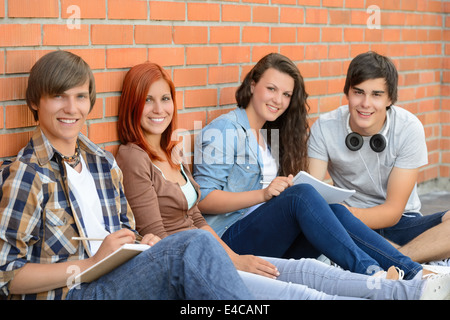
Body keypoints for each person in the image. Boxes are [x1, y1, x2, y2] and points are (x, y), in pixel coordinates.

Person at [115, 60, 450, 300]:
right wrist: (263, 196)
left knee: (332, 209)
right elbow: (206, 201)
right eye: (271, 89)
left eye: (286, 94)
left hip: (254, 235)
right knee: (303, 197)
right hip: (229, 237)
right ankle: (374, 275)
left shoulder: (269, 136)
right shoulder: (224, 131)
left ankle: (410, 272)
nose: (278, 99)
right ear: (251, 86)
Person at [0, 50, 256, 300]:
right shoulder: (28, 173)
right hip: (75, 292)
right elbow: (7, 275)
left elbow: (125, 231)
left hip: (119, 275)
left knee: (195, 254)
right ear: (34, 102)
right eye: (59, 96)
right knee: (194, 244)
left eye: (80, 96)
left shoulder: (102, 162)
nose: (71, 108)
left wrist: (143, 240)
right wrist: (92, 263)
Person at [307, 51, 450, 266]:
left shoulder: (409, 128)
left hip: (401, 223)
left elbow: (393, 212)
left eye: (376, 94)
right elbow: (312, 192)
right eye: (358, 92)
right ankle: (416, 257)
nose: (365, 103)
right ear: (347, 92)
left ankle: (394, 258)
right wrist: (341, 217)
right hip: (349, 226)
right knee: (326, 219)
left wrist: (348, 215)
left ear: (390, 98)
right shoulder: (324, 127)